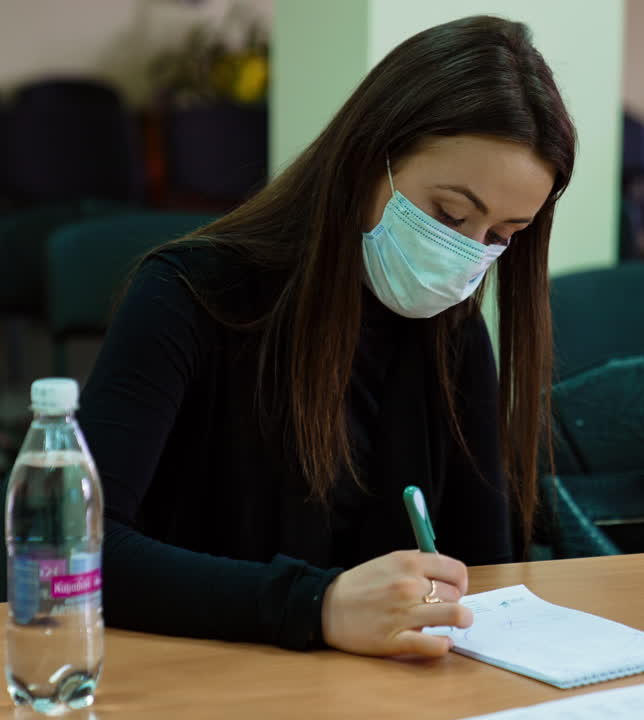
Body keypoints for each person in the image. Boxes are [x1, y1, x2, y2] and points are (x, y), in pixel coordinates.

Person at [76, 16, 575, 658]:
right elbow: (73, 551)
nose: (464, 254)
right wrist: (320, 605)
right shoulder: (189, 294)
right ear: (372, 159)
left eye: (502, 235)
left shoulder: (454, 334)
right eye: (449, 214)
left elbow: (483, 574)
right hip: (198, 679)